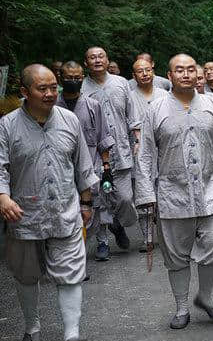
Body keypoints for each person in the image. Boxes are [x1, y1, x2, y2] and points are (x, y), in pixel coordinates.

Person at [135, 53, 213, 330]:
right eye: (179, 70)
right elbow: (145, 154)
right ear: (169, 76)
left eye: (190, 70)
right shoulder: (155, 109)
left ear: (199, 75)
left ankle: (205, 297)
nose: (185, 74)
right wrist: (146, 194)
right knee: (176, 255)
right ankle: (182, 307)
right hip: (172, 193)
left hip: (211, 189)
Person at [1, 64, 98, 341]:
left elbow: (82, 164)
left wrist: (86, 201)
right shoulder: (7, 126)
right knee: (26, 273)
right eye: (41, 88)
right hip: (23, 214)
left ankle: (71, 335)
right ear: (24, 92)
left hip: (65, 211)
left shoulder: (69, 120)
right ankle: (32, 327)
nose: (49, 93)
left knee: (71, 271)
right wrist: (3, 198)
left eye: (53, 87)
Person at [81, 47, 140, 261]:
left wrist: (137, 138)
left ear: (107, 60)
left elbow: (131, 113)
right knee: (99, 200)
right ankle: (103, 241)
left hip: (120, 150)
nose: (97, 60)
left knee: (125, 198)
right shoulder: (82, 87)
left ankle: (117, 224)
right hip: (94, 154)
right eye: (92, 57)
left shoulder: (121, 83)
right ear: (86, 62)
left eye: (100, 56)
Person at [56, 61, 115, 257]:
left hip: (91, 165)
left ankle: (102, 241)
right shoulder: (53, 106)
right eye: (69, 78)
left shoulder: (92, 106)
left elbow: (102, 138)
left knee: (96, 207)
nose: (73, 81)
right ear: (60, 78)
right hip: (61, 168)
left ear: (83, 78)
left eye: (77, 78)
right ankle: (74, 252)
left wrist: (106, 167)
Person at [130, 58, 169, 251]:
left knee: (164, 193)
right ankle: (147, 238)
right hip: (139, 149)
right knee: (143, 191)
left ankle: (166, 236)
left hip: (162, 148)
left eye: (147, 70)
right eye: (140, 71)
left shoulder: (164, 94)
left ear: (153, 71)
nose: (144, 74)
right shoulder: (129, 96)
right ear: (134, 75)